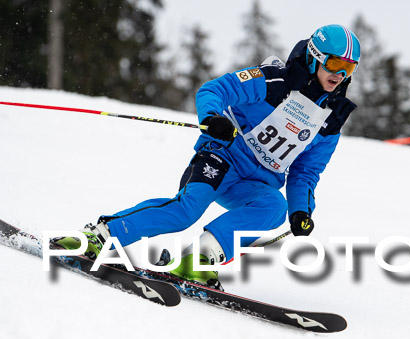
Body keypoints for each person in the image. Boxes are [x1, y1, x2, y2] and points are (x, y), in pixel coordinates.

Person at [56, 24, 361, 289]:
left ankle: (199, 258)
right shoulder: (273, 81)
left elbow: (305, 173)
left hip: (253, 183)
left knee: (275, 207)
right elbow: (214, 89)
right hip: (222, 156)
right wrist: (213, 117)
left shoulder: (330, 121)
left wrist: (301, 210)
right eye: (335, 64)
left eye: (349, 68)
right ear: (314, 57)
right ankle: (100, 236)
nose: (340, 75)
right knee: (186, 210)